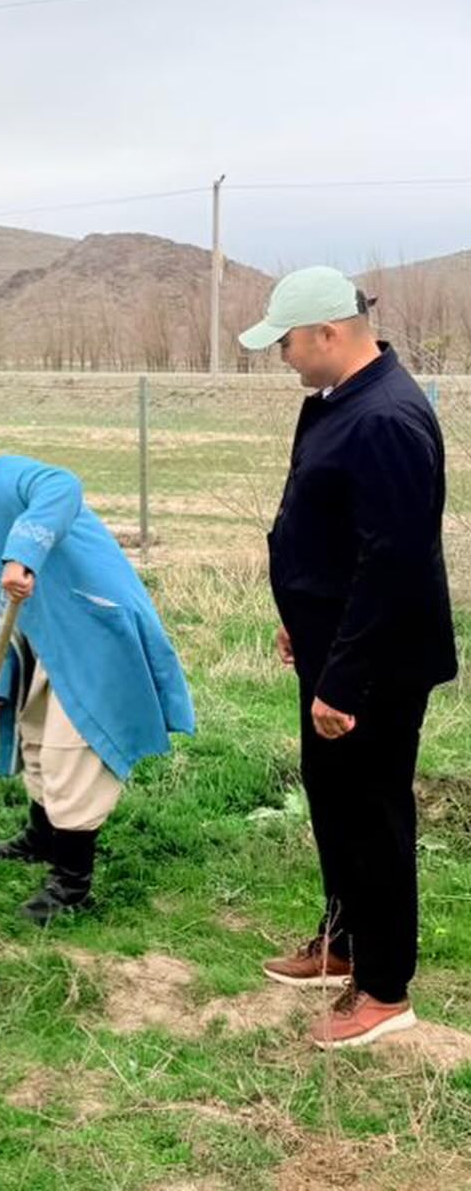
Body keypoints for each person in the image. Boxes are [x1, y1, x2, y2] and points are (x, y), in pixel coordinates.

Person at [239, 267, 456, 1050]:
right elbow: (333, 534)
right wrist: (304, 618)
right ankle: (344, 941)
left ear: (329, 332)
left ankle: (386, 987)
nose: (285, 357)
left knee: (373, 815)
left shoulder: (388, 419)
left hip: (375, 665)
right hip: (335, 647)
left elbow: (392, 561)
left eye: (289, 343)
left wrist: (345, 677)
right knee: (334, 802)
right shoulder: (340, 402)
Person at [0, 443, 194, 924]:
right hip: (45, 645)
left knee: (71, 754)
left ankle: (71, 882)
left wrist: (22, 553)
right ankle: (42, 837)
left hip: (91, 632)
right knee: (36, 737)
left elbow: (62, 484)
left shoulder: (0, 478)